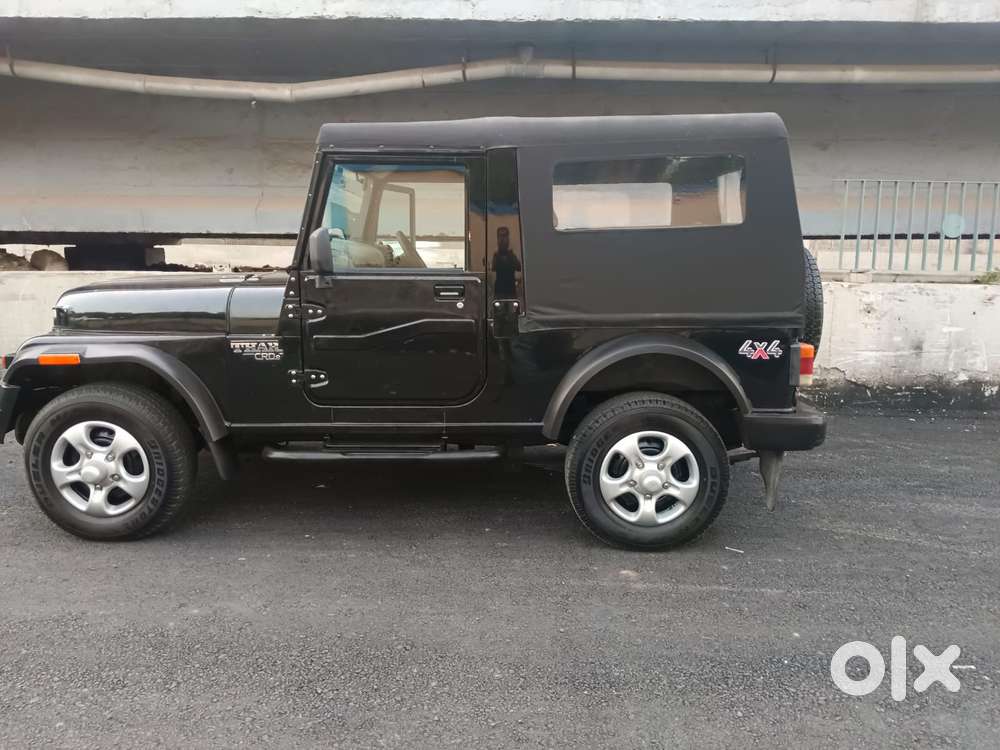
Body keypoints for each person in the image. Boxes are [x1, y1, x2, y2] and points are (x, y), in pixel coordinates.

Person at [491, 226, 521, 298]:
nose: (502, 239)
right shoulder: (496, 255)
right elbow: (493, 269)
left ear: (508, 238)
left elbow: (519, 268)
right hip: (499, 291)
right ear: (497, 238)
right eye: (500, 236)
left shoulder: (512, 255)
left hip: (511, 291)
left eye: (504, 236)